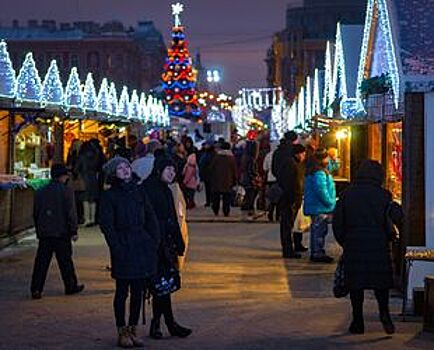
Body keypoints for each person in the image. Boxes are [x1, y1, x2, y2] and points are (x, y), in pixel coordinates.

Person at [333, 160, 402, 335]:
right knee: (381, 284)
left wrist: (345, 241)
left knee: (356, 285)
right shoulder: (384, 195)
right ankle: (385, 315)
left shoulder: (347, 194)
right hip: (378, 245)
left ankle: (357, 321)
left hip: (354, 244)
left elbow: (338, 223)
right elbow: (397, 217)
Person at [99, 157, 160, 348]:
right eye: (119, 168)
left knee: (138, 291)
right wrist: (116, 247)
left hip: (141, 244)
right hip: (124, 245)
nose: (125, 170)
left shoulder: (139, 191)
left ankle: (133, 328)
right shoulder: (110, 196)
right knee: (122, 291)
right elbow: (107, 226)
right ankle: (122, 330)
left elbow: (151, 217)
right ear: (113, 173)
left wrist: (153, 241)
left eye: (126, 166)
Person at [143, 155, 192, 340]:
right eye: (168, 169)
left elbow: (172, 217)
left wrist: (179, 243)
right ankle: (166, 324)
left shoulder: (165, 188)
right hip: (154, 245)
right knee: (159, 286)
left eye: (173, 170)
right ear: (159, 170)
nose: (172, 173)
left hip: (166, 245)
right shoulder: (149, 189)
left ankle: (161, 324)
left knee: (163, 285)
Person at [30, 164, 84, 300]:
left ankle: (36, 288)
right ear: (63, 176)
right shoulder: (66, 191)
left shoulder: (40, 191)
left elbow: (36, 213)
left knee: (41, 262)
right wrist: (73, 230)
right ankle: (70, 285)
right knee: (65, 261)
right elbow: (71, 213)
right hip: (62, 232)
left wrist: (39, 229)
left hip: (46, 233)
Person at [303, 148, 336, 263]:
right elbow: (321, 190)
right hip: (319, 206)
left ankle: (316, 251)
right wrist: (330, 202)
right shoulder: (319, 173)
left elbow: (333, 167)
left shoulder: (316, 170)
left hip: (317, 205)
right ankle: (317, 252)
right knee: (319, 230)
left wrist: (334, 159)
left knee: (318, 229)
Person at [276, 144, 307, 258]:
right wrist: (293, 199)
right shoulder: (291, 165)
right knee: (287, 225)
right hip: (289, 199)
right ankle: (288, 250)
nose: (304, 156)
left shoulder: (291, 163)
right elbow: (291, 184)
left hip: (290, 199)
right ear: (298, 154)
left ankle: (290, 248)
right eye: (303, 153)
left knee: (289, 224)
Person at [76, 139, 105, 226]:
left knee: (85, 199)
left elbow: (77, 168)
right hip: (94, 178)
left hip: (84, 178)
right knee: (92, 199)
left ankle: (87, 218)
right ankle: (92, 218)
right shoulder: (96, 156)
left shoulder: (81, 156)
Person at [209, 141, 237, 216]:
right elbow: (234, 170)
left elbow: (211, 167)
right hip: (228, 180)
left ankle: (216, 210)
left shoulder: (217, 157)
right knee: (226, 197)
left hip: (216, 180)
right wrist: (235, 179)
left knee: (216, 197)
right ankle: (226, 211)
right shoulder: (231, 158)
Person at [263, 142, 279, 222]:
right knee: (279, 198)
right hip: (278, 179)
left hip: (270, 179)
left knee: (271, 199)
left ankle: (270, 214)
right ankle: (277, 215)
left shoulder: (268, 155)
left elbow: (265, 168)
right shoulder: (280, 155)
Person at [198, 142, 216, 207]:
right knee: (210, 188)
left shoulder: (206, 154)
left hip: (208, 174)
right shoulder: (214, 154)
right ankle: (211, 201)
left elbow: (202, 164)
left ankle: (209, 201)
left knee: (209, 189)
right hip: (210, 174)